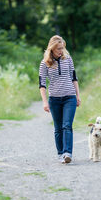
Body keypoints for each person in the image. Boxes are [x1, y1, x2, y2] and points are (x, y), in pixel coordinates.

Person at [39, 35, 81, 164]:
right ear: (52, 49)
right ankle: (60, 153)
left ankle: (68, 153)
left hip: (70, 97)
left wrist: (78, 96)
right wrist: (45, 102)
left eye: (62, 48)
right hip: (55, 99)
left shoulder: (68, 59)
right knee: (58, 128)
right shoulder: (44, 63)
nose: (61, 51)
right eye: (58, 49)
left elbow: (74, 78)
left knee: (67, 125)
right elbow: (42, 85)